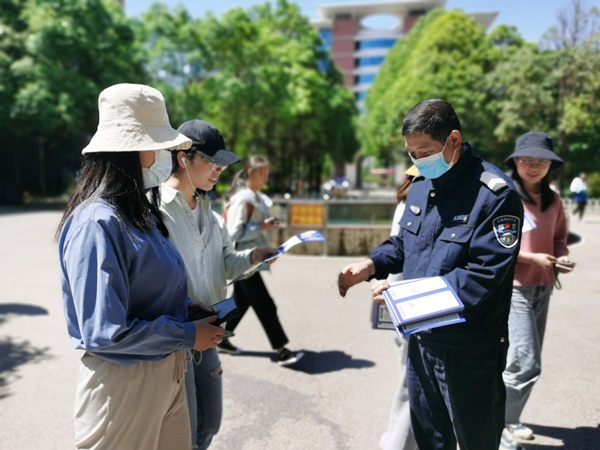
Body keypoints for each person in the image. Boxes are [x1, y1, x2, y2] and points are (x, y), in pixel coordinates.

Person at [337, 99, 523, 450]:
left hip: (469, 350)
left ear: (454, 140)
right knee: (429, 439)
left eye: (424, 152)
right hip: (421, 342)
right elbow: (405, 244)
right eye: (411, 154)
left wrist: (406, 298)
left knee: (476, 440)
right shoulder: (422, 184)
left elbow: (482, 276)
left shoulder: (494, 195)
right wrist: (371, 265)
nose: (418, 161)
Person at [56, 83, 224, 450]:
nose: (162, 156)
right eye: (156, 146)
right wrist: (185, 335)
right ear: (130, 153)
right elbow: (104, 333)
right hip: (123, 387)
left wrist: (183, 310)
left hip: (166, 373)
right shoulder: (96, 223)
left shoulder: (137, 214)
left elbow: (143, 292)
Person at [159, 119, 275, 449]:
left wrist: (253, 257)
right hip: (176, 341)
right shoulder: (155, 211)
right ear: (183, 158)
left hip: (210, 332)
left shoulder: (210, 213)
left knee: (210, 423)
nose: (219, 169)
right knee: (182, 430)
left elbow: (226, 262)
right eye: (211, 161)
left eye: (222, 163)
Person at [501, 132, 572, 448]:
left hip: (543, 286)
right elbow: (495, 246)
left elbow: (559, 240)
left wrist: (562, 257)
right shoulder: (505, 195)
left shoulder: (553, 199)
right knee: (525, 363)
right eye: (527, 160)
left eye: (541, 161)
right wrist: (533, 259)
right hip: (513, 288)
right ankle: (497, 426)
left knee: (522, 361)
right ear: (515, 162)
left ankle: (508, 418)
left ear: (550, 166)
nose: (533, 166)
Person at [222, 155, 304, 366]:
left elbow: (255, 229)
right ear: (250, 172)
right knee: (265, 305)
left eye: (267, 173)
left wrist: (267, 227)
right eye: (262, 173)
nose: (266, 177)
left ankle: (217, 336)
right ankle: (281, 350)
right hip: (244, 261)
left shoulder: (257, 197)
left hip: (253, 261)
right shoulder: (243, 199)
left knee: (239, 303)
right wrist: (261, 227)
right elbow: (233, 232)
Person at [375, 165, 419, 450]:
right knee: (413, 380)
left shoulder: (406, 199)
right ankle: (397, 441)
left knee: (408, 373)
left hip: (399, 293)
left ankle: (395, 436)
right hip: (412, 297)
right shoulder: (418, 200)